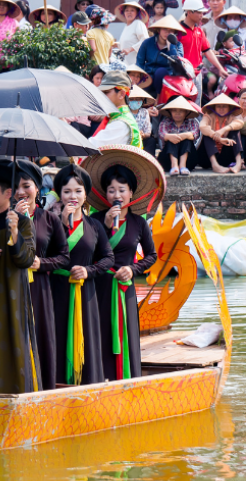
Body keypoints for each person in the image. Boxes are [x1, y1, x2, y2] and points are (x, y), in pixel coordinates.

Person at [88, 151, 157, 381]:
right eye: (111, 190)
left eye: (121, 189)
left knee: (126, 333)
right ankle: (98, 379)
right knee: (99, 333)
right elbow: (87, 253)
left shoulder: (139, 223)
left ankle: (127, 379)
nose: (116, 194)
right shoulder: (94, 220)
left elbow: (152, 256)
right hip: (98, 287)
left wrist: (133, 269)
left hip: (124, 287)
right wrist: (105, 227)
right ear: (105, 193)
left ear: (131, 192)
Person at [0, 160, 41, 394]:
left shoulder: (22, 223)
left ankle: (19, 396)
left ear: (8, 193)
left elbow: (26, 260)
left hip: (14, 301)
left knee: (15, 347)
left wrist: (14, 235)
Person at [50, 164, 114, 387]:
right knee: (56, 336)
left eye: (78, 191)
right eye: (67, 191)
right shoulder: (50, 223)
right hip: (56, 292)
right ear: (59, 194)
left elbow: (108, 259)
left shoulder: (94, 225)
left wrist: (89, 270)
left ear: (86, 194)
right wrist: (60, 222)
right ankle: (56, 385)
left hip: (85, 293)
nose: (72, 196)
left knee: (86, 339)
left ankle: (88, 387)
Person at [11, 160, 70, 390]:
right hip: (14, 287)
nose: (20, 192)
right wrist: (14, 224)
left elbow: (64, 257)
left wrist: (41, 263)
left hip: (41, 289)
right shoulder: (7, 218)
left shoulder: (49, 219)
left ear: (37, 188)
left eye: (26, 185)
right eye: (15, 187)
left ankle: (44, 387)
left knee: (42, 336)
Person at [180, 0, 228, 101]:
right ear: (189, 12)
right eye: (199, 12)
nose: (202, 15)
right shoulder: (179, 31)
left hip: (198, 75)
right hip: (183, 75)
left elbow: (207, 50)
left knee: (196, 107)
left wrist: (220, 68)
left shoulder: (199, 31)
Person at [90, 70, 142, 148]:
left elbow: (91, 147)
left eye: (106, 92)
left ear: (121, 94)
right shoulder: (120, 118)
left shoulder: (120, 123)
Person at [137, 15, 184, 96]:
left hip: (166, 80)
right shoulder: (147, 43)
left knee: (160, 71)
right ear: (159, 30)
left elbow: (179, 64)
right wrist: (139, 78)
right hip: (148, 78)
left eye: (171, 31)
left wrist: (171, 47)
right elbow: (139, 63)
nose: (167, 33)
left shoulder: (178, 45)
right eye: (165, 29)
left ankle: (158, 98)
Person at [198, 93, 244, 173]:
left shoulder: (231, 117)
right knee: (207, 134)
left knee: (235, 130)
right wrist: (218, 137)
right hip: (207, 158)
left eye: (224, 106)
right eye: (219, 106)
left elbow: (240, 123)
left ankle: (238, 163)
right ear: (214, 107)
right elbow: (202, 126)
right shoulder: (208, 116)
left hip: (224, 157)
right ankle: (215, 165)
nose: (221, 109)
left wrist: (223, 130)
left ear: (229, 108)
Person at [158, 95, 201, 174]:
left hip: (189, 159)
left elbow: (195, 134)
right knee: (172, 136)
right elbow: (162, 134)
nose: (177, 113)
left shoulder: (192, 122)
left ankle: (182, 166)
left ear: (186, 112)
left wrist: (183, 136)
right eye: (174, 110)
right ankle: (174, 166)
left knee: (187, 138)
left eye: (181, 110)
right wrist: (171, 136)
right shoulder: (165, 122)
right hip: (168, 160)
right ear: (170, 111)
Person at [128, 85, 155, 155]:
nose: (134, 101)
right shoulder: (125, 112)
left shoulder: (145, 112)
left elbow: (148, 132)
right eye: (131, 99)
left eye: (137, 99)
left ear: (142, 100)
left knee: (151, 141)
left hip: (141, 139)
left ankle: (147, 161)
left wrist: (143, 135)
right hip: (128, 140)